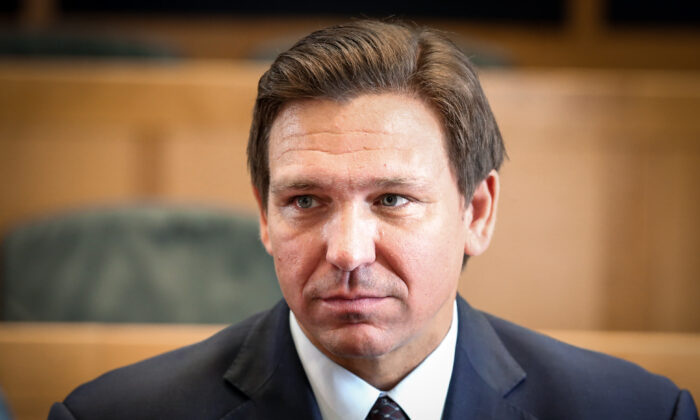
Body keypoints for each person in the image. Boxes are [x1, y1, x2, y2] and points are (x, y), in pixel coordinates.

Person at [49, 19, 697, 420]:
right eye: (305, 201)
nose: (348, 251)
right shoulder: (112, 415)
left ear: (477, 211)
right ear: (265, 216)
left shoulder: (636, 412)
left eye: (392, 200)